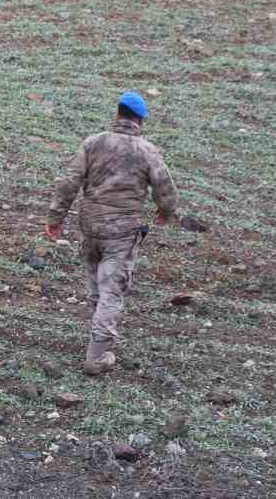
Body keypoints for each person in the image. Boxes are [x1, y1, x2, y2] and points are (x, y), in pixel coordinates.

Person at [44, 91, 179, 376]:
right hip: (122, 231)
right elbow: (165, 190)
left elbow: (69, 183)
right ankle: (97, 356)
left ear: (117, 113)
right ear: (140, 120)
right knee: (112, 291)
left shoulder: (93, 143)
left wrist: (56, 218)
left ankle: (97, 337)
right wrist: (165, 211)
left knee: (95, 282)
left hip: (90, 225)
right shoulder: (147, 151)